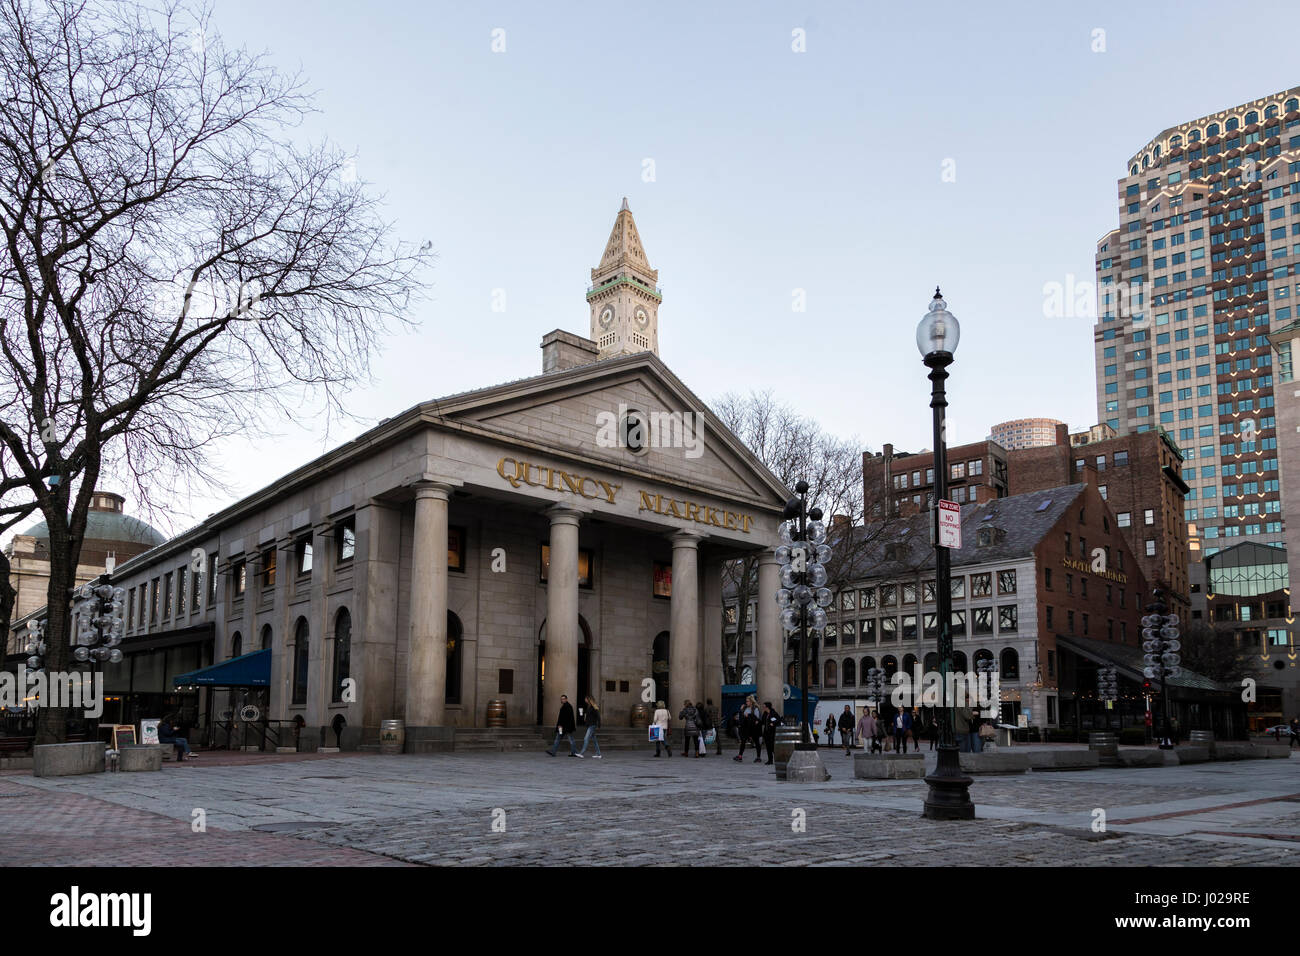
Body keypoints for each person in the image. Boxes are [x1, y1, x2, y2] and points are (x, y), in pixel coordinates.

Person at [735, 696, 762, 762]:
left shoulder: (755, 709)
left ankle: (758, 757)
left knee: (757, 742)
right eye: (746, 701)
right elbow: (740, 717)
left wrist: (749, 716)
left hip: (753, 728)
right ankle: (740, 756)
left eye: (747, 701)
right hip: (746, 728)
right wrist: (741, 710)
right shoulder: (745, 708)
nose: (746, 702)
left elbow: (757, 719)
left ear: (751, 702)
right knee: (743, 741)